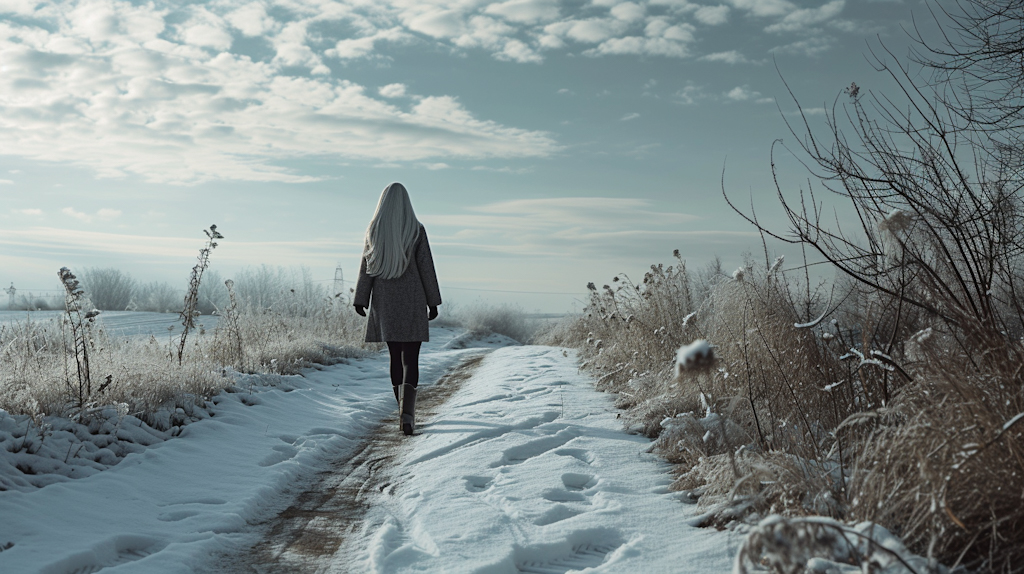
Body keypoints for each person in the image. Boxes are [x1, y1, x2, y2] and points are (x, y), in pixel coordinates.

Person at [354, 182, 442, 435]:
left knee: (395, 357)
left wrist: (361, 298)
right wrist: (433, 301)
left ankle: (402, 412)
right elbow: (427, 267)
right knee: (410, 359)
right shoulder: (416, 229)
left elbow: (366, 266)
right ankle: (408, 415)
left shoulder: (374, 230)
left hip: (386, 301)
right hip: (413, 299)